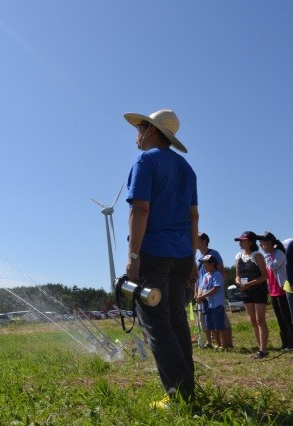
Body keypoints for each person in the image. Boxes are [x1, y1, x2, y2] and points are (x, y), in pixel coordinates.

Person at [124, 109, 198, 405]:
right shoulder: (186, 168)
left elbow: (140, 210)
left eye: (140, 128)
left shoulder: (145, 160)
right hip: (182, 255)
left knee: (155, 322)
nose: (137, 134)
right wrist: (191, 258)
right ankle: (188, 389)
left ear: (152, 130)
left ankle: (178, 395)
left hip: (154, 252)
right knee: (177, 320)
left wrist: (133, 255)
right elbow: (194, 217)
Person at [234, 231, 269, 359]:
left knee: (260, 319)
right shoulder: (238, 256)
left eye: (243, 240)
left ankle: (263, 350)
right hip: (246, 291)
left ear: (250, 242)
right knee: (253, 320)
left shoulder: (257, 255)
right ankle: (261, 348)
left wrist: (249, 284)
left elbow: (264, 276)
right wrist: (238, 282)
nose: (240, 242)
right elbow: (237, 275)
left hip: (258, 290)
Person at [195, 232, 233, 348]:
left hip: (214, 293)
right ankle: (210, 342)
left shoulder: (214, 253)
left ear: (204, 241)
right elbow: (197, 277)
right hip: (202, 292)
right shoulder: (197, 257)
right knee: (205, 319)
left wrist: (217, 289)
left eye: (197, 239)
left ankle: (228, 342)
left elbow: (221, 271)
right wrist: (196, 292)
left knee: (221, 319)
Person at [259, 231, 292, 351]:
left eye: (263, 242)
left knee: (287, 318)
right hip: (273, 290)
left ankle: (291, 343)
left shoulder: (279, 253)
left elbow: (272, 266)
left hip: (282, 289)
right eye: (260, 243)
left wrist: (266, 254)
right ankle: (285, 343)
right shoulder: (269, 255)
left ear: (270, 242)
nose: (261, 245)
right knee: (279, 318)